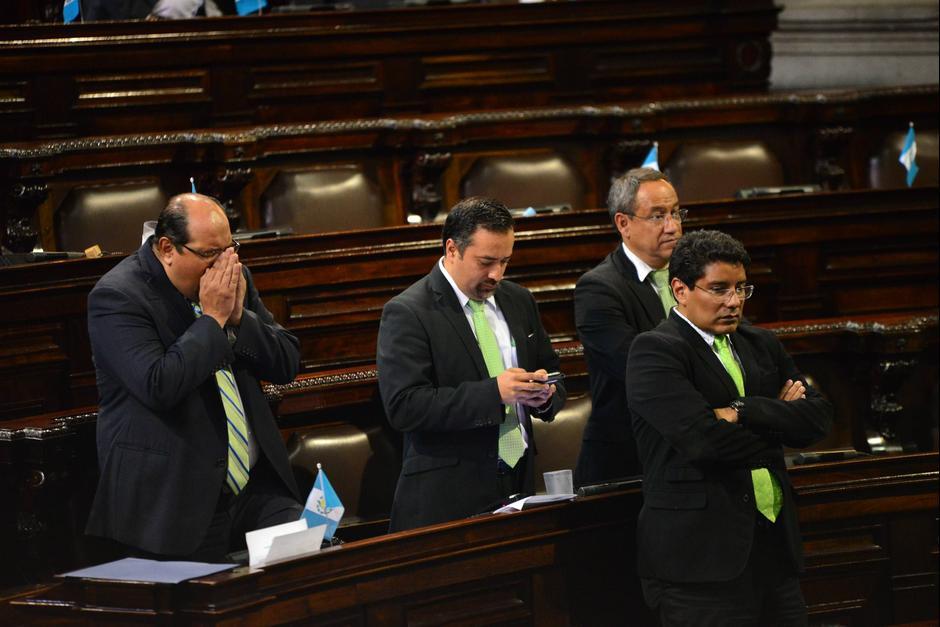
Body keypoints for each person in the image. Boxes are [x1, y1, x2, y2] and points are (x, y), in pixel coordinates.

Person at [626, 230, 832, 626]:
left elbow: (817, 419)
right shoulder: (655, 351)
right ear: (680, 290)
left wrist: (742, 409)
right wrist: (778, 418)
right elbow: (705, 442)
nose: (734, 301)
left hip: (774, 550)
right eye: (719, 289)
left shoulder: (761, 342)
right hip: (700, 561)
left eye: (741, 288)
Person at [85, 193, 303, 561]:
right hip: (174, 499)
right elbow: (159, 385)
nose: (224, 264)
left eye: (230, 248)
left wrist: (239, 319)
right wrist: (213, 320)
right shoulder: (117, 297)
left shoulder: (235, 276)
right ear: (168, 248)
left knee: (310, 564)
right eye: (210, 254)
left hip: (253, 487)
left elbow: (287, 363)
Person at [377, 197, 567, 532]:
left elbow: (553, 371)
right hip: (447, 497)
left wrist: (546, 394)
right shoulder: (408, 312)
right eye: (486, 262)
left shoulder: (518, 300)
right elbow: (404, 407)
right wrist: (494, 393)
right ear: (452, 250)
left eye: (505, 261)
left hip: (518, 481)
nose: (497, 274)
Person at [573, 167, 683, 486]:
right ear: (624, 223)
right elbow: (640, 368)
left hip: (692, 454)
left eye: (676, 213)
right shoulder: (599, 289)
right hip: (628, 463)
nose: (673, 226)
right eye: (658, 216)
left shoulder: (696, 276)